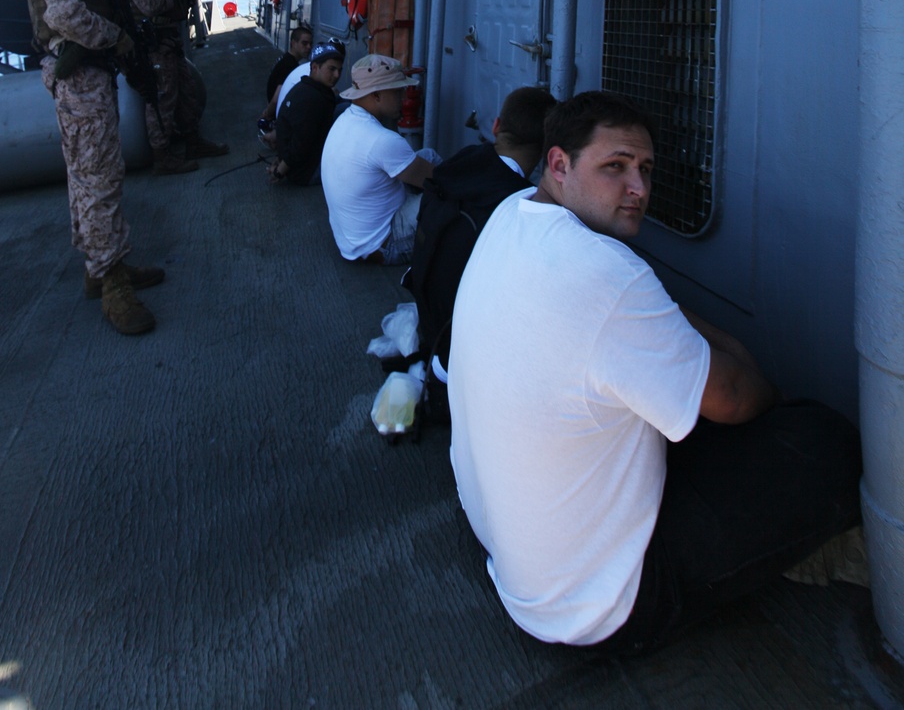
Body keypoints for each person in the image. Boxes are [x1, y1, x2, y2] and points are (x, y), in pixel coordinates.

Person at [448, 90, 862, 657]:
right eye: (615, 167)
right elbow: (737, 398)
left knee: (679, 403)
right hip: (592, 610)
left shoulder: (512, 213)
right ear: (560, 165)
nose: (639, 189)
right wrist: (759, 388)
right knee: (824, 440)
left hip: (508, 546)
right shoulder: (604, 273)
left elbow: (640, 315)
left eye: (644, 169)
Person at [26, 0, 164, 336]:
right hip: (80, 77)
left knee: (88, 177)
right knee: (100, 178)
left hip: (87, 76)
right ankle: (113, 285)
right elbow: (64, 13)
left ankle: (102, 268)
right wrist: (115, 39)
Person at [409, 86, 555, 377]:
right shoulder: (522, 207)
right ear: (548, 150)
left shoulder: (461, 162)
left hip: (430, 325)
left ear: (497, 126)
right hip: (463, 364)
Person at [119, 0, 228, 174]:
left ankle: (193, 141)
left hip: (168, 43)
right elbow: (149, 6)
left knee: (187, 91)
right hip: (153, 46)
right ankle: (162, 156)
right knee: (162, 99)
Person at [320, 54, 436, 264]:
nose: (404, 97)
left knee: (427, 156)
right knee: (447, 200)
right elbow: (439, 181)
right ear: (376, 95)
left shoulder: (346, 118)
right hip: (384, 244)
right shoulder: (383, 140)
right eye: (398, 91)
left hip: (352, 237)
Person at [270, 39, 346, 185]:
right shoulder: (312, 99)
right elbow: (300, 143)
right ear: (315, 67)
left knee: (345, 104)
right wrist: (280, 172)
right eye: (332, 69)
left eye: (340, 70)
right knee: (349, 111)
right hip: (306, 173)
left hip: (296, 165)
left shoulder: (305, 86)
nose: (337, 75)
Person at [263, 27, 313, 120]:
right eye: (304, 43)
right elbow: (276, 99)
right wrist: (267, 114)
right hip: (277, 115)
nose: (309, 47)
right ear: (293, 43)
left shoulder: (285, 59)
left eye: (310, 44)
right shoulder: (289, 66)